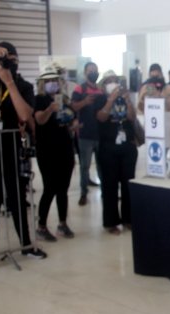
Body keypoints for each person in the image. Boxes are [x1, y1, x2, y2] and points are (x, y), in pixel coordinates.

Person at [0, 42, 47, 271]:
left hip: (11, 146)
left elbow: (24, 114)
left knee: (16, 197)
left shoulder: (22, 85)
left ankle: (26, 244)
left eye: (11, 59)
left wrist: (9, 82)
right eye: (2, 58)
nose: (6, 62)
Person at [33, 66, 76, 242]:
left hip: (65, 146)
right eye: (48, 81)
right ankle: (41, 226)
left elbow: (70, 118)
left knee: (63, 188)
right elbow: (39, 120)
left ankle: (62, 223)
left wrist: (73, 125)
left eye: (55, 81)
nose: (52, 84)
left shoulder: (64, 99)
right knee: (50, 187)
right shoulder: (39, 99)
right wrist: (50, 109)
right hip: (47, 149)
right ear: (43, 83)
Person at [95, 70, 138, 235]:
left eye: (114, 80)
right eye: (109, 80)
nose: (112, 83)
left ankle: (128, 219)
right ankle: (111, 222)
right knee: (110, 186)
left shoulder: (124, 96)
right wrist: (110, 101)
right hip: (108, 147)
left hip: (127, 145)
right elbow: (100, 117)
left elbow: (132, 117)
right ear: (103, 84)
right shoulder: (100, 99)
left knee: (128, 184)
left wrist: (128, 102)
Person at [71, 61, 103, 206]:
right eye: (90, 71)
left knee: (102, 165)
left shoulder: (101, 90)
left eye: (95, 70)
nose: (93, 73)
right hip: (85, 133)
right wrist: (84, 102)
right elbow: (73, 106)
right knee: (85, 165)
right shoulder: (79, 89)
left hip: (100, 133)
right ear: (85, 73)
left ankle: (105, 190)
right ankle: (83, 193)